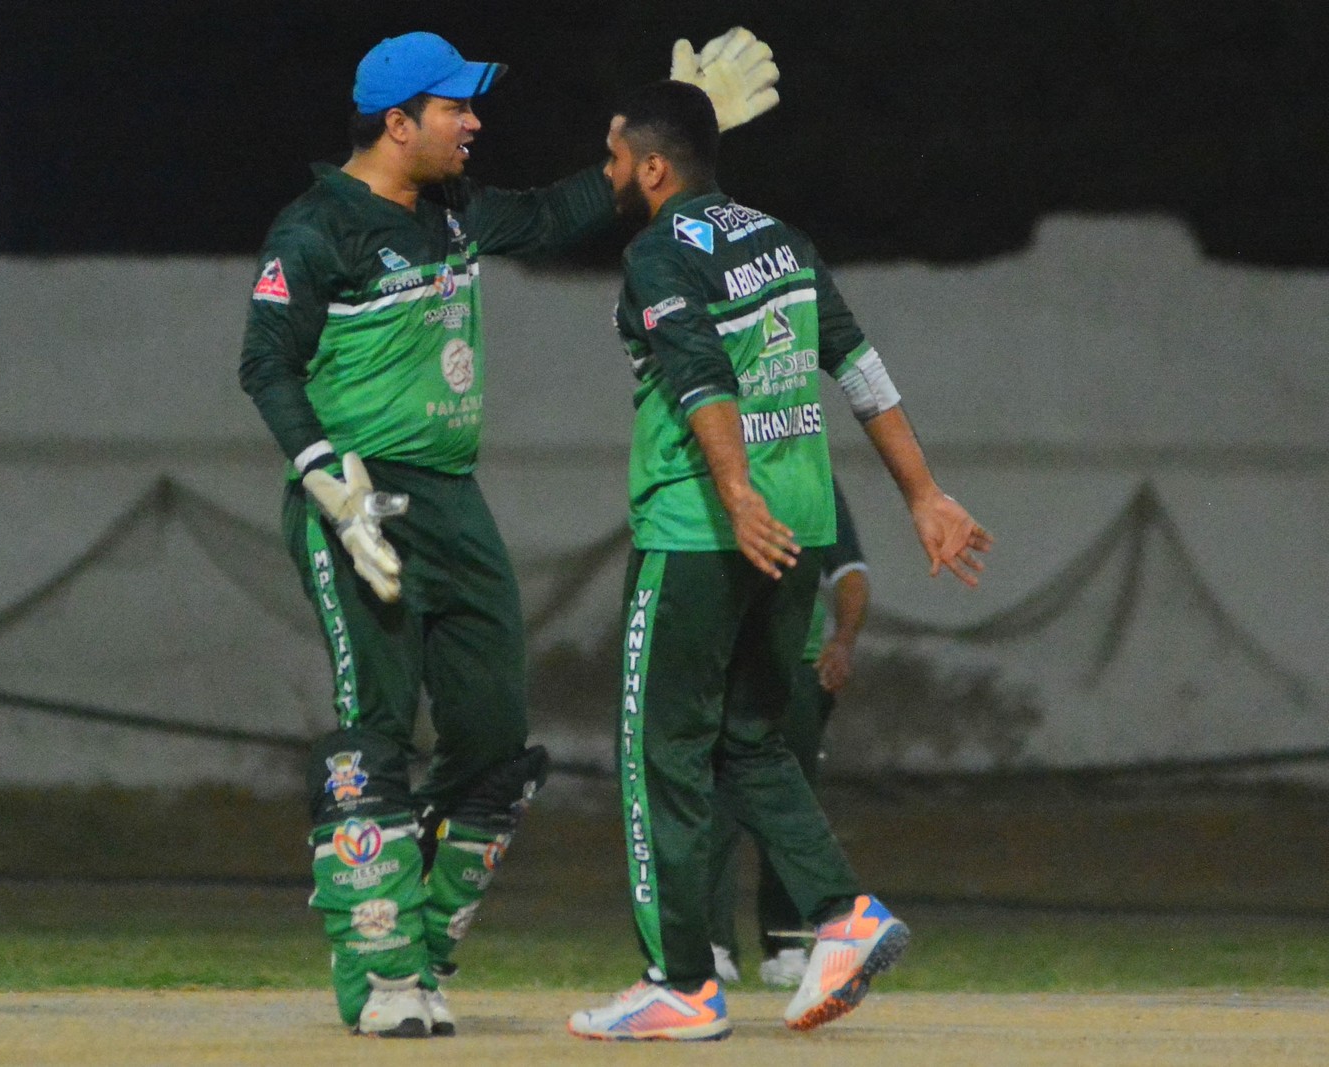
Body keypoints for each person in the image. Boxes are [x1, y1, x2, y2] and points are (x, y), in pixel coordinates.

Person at [237, 32, 780, 1038]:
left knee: (492, 741)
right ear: (398, 122)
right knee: (376, 724)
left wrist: (676, 134)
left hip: (451, 501)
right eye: (456, 107)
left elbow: (553, 213)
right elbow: (265, 361)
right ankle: (383, 974)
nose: (474, 122)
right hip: (357, 498)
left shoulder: (452, 208)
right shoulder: (316, 227)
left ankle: (420, 948)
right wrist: (326, 479)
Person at [567, 80, 992, 1042]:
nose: (608, 173)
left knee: (660, 751)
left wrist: (733, 493)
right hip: (798, 527)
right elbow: (859, 367)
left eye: (616, 157)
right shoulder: (782, 240)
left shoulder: (659, 252)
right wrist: (923, 493)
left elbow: (700, 376)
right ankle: (846, 915)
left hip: (703, 531)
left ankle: (681, 983)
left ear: (655, 168)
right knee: (749, 742)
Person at [707, 477, 871, 988]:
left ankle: (787, 942)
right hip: (719, 661)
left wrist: (843, 640)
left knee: (787, 796)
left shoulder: (810, 475)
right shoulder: (711, 471)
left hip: (792, 662)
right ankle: (711, 942)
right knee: (712, 801)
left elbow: (850, 570)